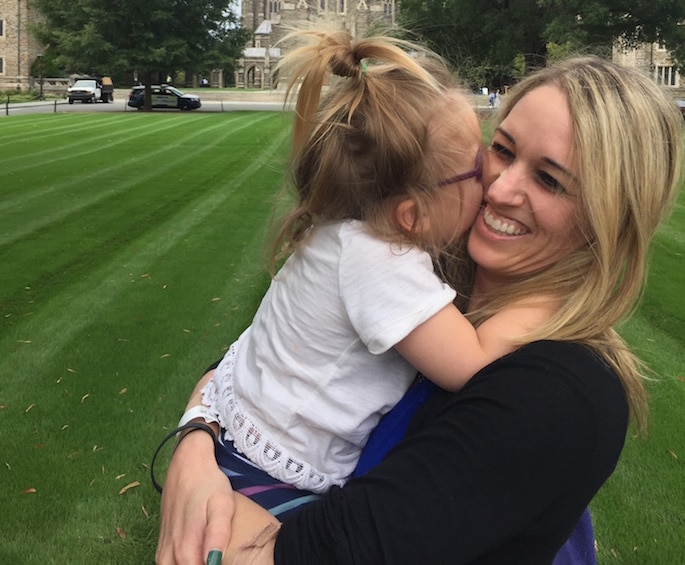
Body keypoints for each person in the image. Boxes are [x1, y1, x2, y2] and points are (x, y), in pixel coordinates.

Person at [156, 55, 683, 564]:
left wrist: (209, 484)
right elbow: (252, 355)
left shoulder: (560, 393)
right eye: (499, 150)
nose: (499, 188)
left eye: (550, 180)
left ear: (609, 219)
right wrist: (196, 446)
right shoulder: (415, 275)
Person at [197, 29, 549, 507]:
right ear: (413, 215)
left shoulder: (348, 228)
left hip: (243, 421)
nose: (491, 179)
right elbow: (472, 363)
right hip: (273, 466)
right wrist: (554, 296)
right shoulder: (381, 263)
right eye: (476, 165)